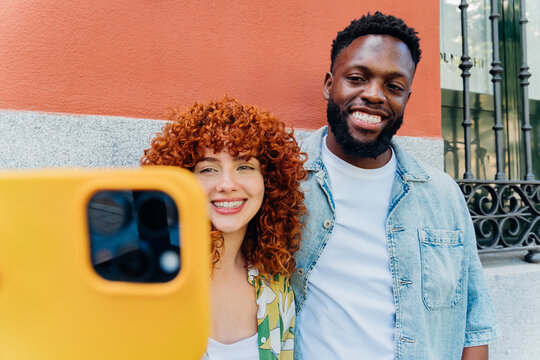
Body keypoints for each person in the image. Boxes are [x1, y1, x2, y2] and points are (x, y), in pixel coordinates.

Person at [291, 12, 499, 360]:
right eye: (357, 78)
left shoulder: (442, 194)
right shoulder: (284, 181)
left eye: (394, 86)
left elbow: (474, 326)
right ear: (330, 84)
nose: (374, 95)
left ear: (407, 98)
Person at [141, 97, 305, 360]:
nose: (227, 184)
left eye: (244, 166)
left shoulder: (276, 287)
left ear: (269, 182)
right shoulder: (147, 277)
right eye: (208, 169)